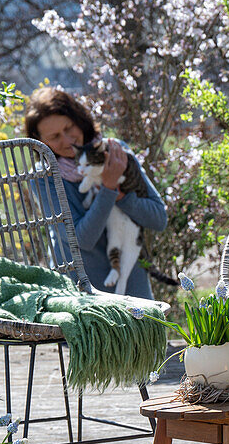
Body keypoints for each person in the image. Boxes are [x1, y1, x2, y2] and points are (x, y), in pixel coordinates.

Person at [24, 86, 167, 300]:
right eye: (54, 137)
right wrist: (108, 189)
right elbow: (82, 240)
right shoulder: (44, 178)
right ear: (40, 141)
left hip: (131, 287)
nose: (67, 140)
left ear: (79, 119)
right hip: (80, 295)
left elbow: (158, 218)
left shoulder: (115, 152)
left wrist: (122, 196)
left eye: (69, 128)